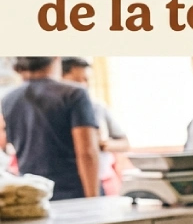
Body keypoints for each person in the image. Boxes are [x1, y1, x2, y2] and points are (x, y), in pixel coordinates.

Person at [0, 57, 101, 200]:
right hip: (74, 193)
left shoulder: (9, 99)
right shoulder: (74, 94)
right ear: (55, 57)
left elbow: (7, 143)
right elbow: (87, 152)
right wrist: (94, 199)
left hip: (34, 193)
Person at [60, 57, 131, 196]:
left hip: (103, 180)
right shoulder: (55, 111)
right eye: (77, 81)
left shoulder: (98, 107)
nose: (83, 85)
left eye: (86, 80)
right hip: (70, 185)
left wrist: (102, 144)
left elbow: (124, 143)